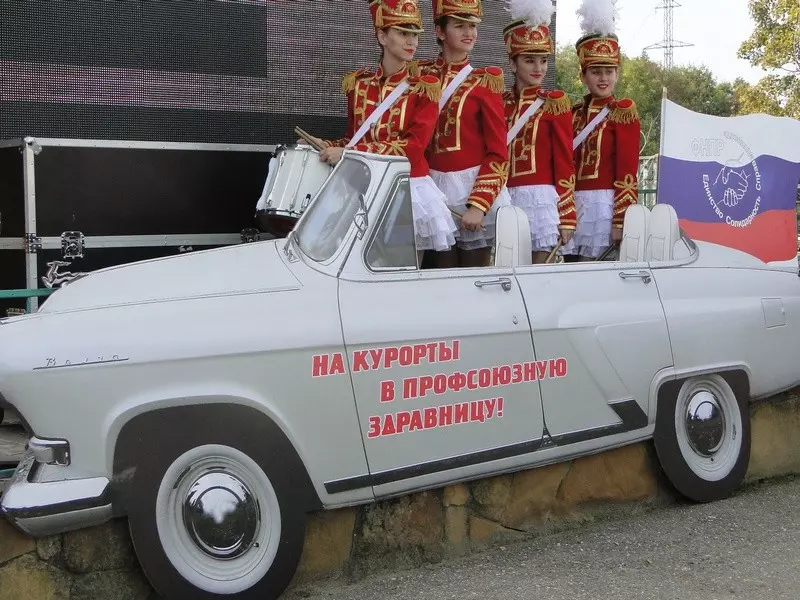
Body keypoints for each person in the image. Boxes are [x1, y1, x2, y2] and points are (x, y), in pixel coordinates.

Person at [306, 0, 457, 262]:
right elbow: (353, 138)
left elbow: (413, 148)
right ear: (382, 36)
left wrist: (348, 152)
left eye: (414, 35)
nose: (411, 41)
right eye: (402, 33)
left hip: (406, 189)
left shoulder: (424, 88)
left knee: (399, 271)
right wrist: (327, 144)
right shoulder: (359, 84)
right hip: (363, 187)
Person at [416, 0, 511, 268]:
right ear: (440, 31)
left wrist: (479, 204)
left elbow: (498, 152)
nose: (469, 32)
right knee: (437, 277)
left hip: (472, 191)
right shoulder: (418, 76)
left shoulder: (485, 82)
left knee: (473, 280)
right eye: (459, 26)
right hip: (432, 191)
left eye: (472, 26)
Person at [502, 0, 576, 264]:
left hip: (541, 200)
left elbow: (565, 163)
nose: (539, 68)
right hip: (504, 196)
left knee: (539, 275)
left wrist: (566, 215)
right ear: (513, 64)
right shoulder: (499, 104)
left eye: (543, 61)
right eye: (529, 60)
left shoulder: (554, 105)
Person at [568, 0, 641, 261]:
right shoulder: (574, 113)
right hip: (573, 206)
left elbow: (627, 172)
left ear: (617, 74)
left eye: (609, 71)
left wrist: (620, 220)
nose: (603, 78)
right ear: (583, 76)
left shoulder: (622, 113)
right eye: (596, 72)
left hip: (604, 208)